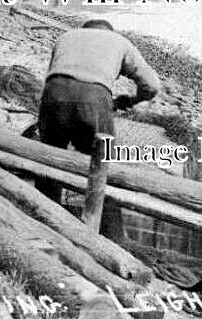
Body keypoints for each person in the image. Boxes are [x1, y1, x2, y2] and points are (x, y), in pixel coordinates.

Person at [38, 18, 162, 238]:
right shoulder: (119, 41)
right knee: (103, 170)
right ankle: (112, 240)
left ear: (86, 30)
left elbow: (53, 75)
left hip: (53, 96)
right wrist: (132, 100)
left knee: (49, 164)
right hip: (94, 100)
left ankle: (45, 228)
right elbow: (152, 86)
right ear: (109, 31)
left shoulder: (65, 37)